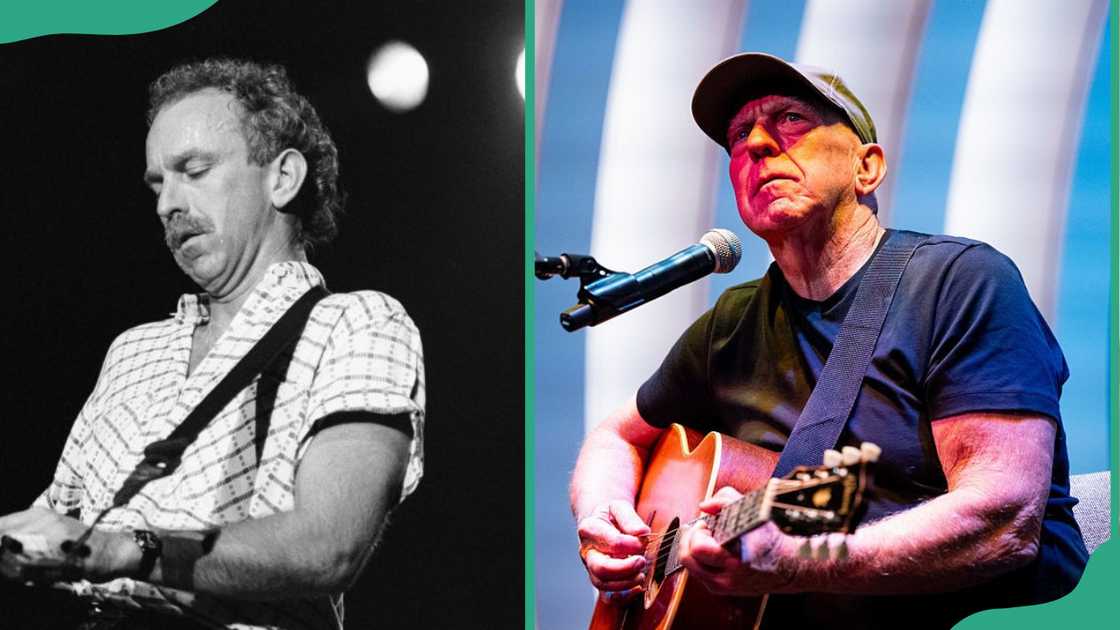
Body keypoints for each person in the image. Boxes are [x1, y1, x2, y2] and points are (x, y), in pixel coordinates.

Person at [570, 52, 1087, 628]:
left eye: (790, 119)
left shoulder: (959, 282)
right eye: (740, 135)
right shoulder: (732, 324)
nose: (759, 144)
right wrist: (605, 526)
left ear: (867, 167)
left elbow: (1003, 520)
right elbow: (617, 436)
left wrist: (799, 563)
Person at [0, 58, 425, 630]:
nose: (165, 205)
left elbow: (330, 545)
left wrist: (119, 550)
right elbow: (54, 523)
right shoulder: (132, 350)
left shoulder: (358, 323)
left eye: (192, 170)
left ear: (283, 177)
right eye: (157, 183)